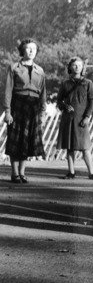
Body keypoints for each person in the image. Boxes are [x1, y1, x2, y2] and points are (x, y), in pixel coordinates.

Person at [3, 38, 47, 183]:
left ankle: (22, 173)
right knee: (16, 140)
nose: (31, 51)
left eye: (34, 49)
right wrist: (8, 111)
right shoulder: (14, 67)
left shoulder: (40, 70)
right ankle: (14, 173)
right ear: (23, 50)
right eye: (28, 48)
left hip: (33, 108)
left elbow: (43, 93)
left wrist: (42, 112)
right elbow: (8, 91)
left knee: (27, 140)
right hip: (18, 105)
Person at [56, 57, 93, 180]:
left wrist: (87, 117)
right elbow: (59, 100)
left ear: (82, 68)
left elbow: (92, 102)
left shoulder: (88, 83)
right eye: (74, 65)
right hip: (68, 119)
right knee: (70, 148)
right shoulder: (65, 84)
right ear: (70, 67)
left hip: (81, 119)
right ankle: (71, 172)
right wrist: (64, 106)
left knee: (85, 147)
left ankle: (91, 172)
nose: (77, 67)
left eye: (79, 65)